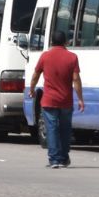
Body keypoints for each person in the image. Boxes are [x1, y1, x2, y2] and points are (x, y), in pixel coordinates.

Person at [28, 30, 84, 169]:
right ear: (65, 42)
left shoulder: (45, 56)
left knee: (52, 129)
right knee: (65, 129)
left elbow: (35, 75)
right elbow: (76, 79)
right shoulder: (72, 57)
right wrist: (80, 99)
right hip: (66, 100)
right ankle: (64, 158)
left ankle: (54, 160)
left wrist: (32, 89)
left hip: (49, 100)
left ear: (52, 42)